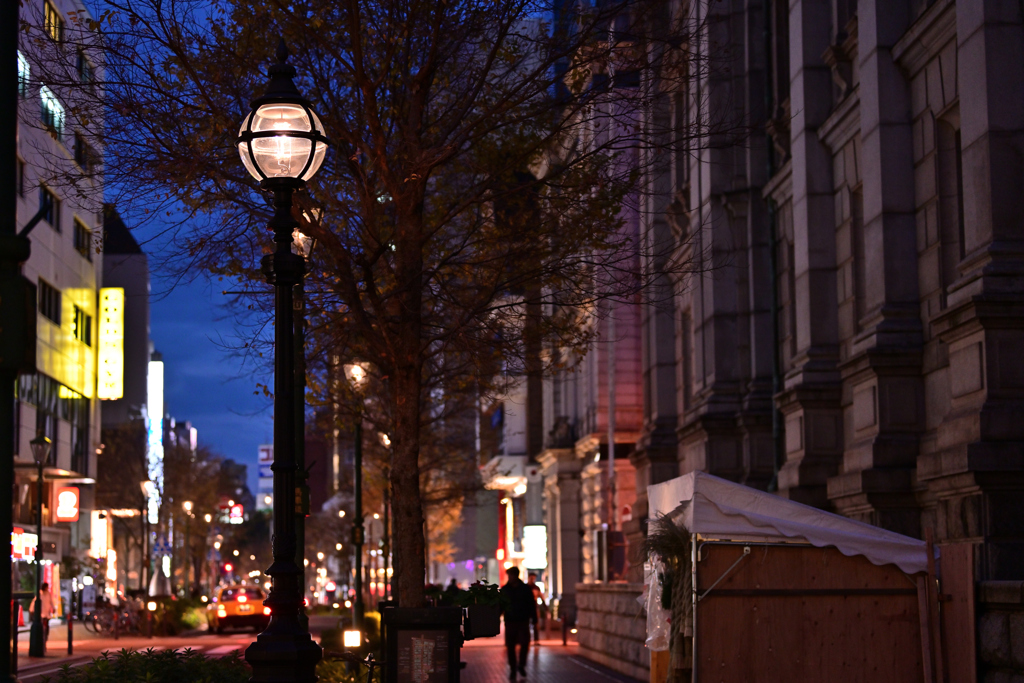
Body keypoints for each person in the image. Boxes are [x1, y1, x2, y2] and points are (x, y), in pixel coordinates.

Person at [500, 567, 537, 681]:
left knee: (525, 644)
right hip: (510, 620)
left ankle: (521, 665)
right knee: (510, 645)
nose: (510, 578)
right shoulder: (505, 589)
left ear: (516, 576)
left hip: (522, 620)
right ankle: (513, 667)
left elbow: (531, 604)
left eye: (511, 575)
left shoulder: (525, 589)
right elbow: (501, 605)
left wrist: (534, 617)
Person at [526, 572, 546, 643]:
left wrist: (545, 607)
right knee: (526, 624)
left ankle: (536, 639)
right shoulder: (525, 587)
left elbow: (541, 597)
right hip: (526, 608)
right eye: (531, 578)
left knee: (535, 624)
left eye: (533, 578)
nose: (532, 580)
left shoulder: (536, 588)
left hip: (534, 607)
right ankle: (526, 639)